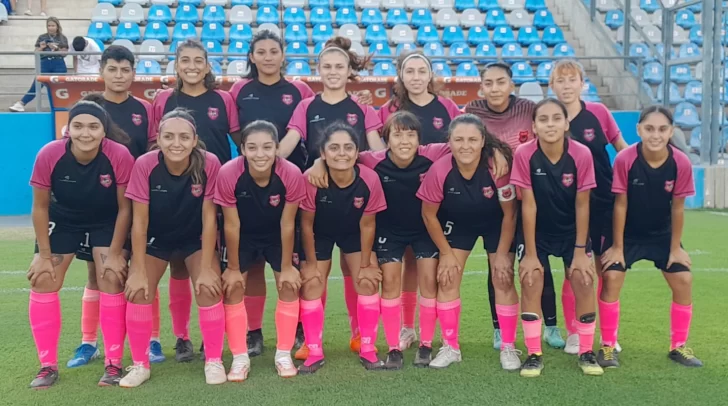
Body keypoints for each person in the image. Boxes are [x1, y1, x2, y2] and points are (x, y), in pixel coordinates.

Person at [307, 111, 451, 368]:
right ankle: (393, 347)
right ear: (386, 139)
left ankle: (426, 344)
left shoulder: (432, 154)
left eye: (411, 135)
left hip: (424, 229)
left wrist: (496, 152)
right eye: (397, 135)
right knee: (390, 281)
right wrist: (319, 162)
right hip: (388, 232)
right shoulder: (371, 160)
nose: (404, 141)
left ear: (420, 140)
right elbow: (340, 155)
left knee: (429, 281)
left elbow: (467, 144)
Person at [285, 36, 385, 358]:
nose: (332, 71)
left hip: (354, 205)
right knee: (314, 275)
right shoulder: (306, 106)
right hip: (317, 201)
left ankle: (360, 336)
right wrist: (263, 161)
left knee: (359, 274)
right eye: (326, 66)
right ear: (318, 69)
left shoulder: (362, 108)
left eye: (339, 66)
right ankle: (311, 341)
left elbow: (377, 153)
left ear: (348, 70)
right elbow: (288, 145)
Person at [66, 46, 165, 369]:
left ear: (134, 73)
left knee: (142, 268)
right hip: (100, 205)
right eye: (113, 69)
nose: (119, 76)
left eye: (125, 70)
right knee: (97, 273)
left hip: (140, 201)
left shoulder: (145, 109)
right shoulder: (90, 108)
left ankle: (151, 338)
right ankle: (89, 342)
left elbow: (154, 150)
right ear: (102, 72)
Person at [26, 101, 134, 389]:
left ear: (104, 131)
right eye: (78, 126)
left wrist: (115, 254)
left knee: (111, 277)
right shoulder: (50, 154)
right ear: (68, 129)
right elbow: (40, 206)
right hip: (63, 220)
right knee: (44, 278)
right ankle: (47, 366)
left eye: (93, 127)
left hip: (105, 221)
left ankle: (113, 363)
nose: (86, 133)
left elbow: (125, 208)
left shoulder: (118, 155)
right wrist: (43, 255)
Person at [121, 108, 225, 388]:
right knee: (139, 290)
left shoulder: (209, 163)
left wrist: (207, 268)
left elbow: (209, 218)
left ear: (195, 140)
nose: (176, 143)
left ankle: (214, 360)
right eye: (168, 136)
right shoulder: (145, 164)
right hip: (156, 237)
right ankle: (140, 365)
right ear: (158, 139)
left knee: (209, 287)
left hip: (194, 238)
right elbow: (139, 222)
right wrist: (137, 269)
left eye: (183, 137)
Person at [464, 62, 564, 351]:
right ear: (481, 87)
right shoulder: (472, 111)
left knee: (538, 264)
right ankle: (499, 328)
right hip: (494, 202)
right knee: (498, 266)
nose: (495, 88)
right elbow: (462, 141)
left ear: (511, 85)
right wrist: (494, 148)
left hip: (531, 198)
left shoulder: (528, 109)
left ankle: (551, 326)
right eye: (489, 83)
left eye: (501, 82)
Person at [152, 39, 240, 362]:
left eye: (198, 60)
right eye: (185, 60)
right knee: (179, 265)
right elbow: (153, 145)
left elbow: (241, 140)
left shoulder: (223, 99)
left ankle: (212, 337)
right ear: (176, 65)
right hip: (177, 195)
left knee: (215, 262)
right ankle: (182, 337)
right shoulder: (163, 99)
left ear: (207, 66)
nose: (191, 66)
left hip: (216, 193)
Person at [227, 30, 314, 356]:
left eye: (273, 51)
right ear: (251, 56)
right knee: (252, 265)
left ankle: (300, 326)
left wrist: (278, 161)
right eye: (260, 52)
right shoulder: (239, 90)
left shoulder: (299, 90)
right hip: (251, 185)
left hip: (292, 185)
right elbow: (235, 131)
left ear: (283, 55)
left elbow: (309, 124)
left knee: (294, 259)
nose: (267, 57)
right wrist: (256, 158)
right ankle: (254, 332)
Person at [599, 106, 702, 368]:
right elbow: (620, 204)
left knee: (684, 279)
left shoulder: (680, 162)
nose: (655, 135)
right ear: (639, 130)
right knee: (611, 277)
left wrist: (675, 248)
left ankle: (678, 346)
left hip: (660, 234)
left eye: (662, 129)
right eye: (649, 128)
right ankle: (608, 346)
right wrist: (618, 247)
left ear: (671, 131)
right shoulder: (625, 159)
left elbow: (677, 208)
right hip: (627, 234)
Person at [510, 98, 602, 377]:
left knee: (584, 279)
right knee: (531, 279)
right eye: (543, 119)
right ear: (534, 126)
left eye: (556, 118)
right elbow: (528, 204)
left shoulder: (581, 154)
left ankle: (586, 352)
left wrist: (580, 251)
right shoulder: (524, 153)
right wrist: (530, 254)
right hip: (536, 231)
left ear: (566, 123)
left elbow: (582, 204)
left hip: (571, 231)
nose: (550, 124)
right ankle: (534, 354)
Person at [417, 114, 517, 369]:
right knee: (447, 277)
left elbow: (510, 214)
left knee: (503, 277)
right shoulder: (440, 170)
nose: (465, 146)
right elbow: (428, 215)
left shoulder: (497, 167)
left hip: (496, 223)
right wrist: (446, 253)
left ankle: (508, 346)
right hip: (458, 223)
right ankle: (451, 347)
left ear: (483, 141)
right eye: (459, 139)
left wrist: (502, 254)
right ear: (449, 141)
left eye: (472, 140)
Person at [376, 52, 462, 350]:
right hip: (397, 198)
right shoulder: (389, 109)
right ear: (401, 76)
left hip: (435, 202)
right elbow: (375, 149)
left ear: (430, 75)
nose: (415, 77)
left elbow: (463, 140)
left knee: (424, 268)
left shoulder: (447, 107)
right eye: (409, 71)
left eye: (421, 71)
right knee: (402, 266)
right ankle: (406, 328)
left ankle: (427, 335)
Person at [215, 120, 306, 380]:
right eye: (252, 147)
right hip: (242, 235)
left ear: (277, 148)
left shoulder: (291, 173)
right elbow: (231, 224)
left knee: (288, 284)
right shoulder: (229, 173)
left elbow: (287, 222)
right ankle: (240, 358)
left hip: (277, 235)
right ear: (242, 149)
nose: (260, 154)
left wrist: (287, 267)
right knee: (233, 287)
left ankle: (283, 354)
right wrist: (233, 269)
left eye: (267, 147)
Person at [549, 59, 628, 355]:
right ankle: (574, 332)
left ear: (583, 84)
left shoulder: (598, 112)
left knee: (607, 271)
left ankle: (608, 335)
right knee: (575, 271)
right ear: (551, 85)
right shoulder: (549, 117)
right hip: (567, 209)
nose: (566, 85)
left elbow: (623, 151)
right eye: (560, 80)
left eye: (572, 79)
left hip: (603, 203)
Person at [298, 122, 387, 373]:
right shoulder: (312, 179)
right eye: (334, 147)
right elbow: (306, 224)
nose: (342, 153)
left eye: (348, 147)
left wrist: (367, 264)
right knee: (312, 282)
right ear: (323, 153)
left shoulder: (369, 179)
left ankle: (366, 346)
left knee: (367, 281)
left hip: (354, 233)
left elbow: (368, 224)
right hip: (319, 234)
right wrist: (311, 265)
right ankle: (313, 349)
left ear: (357, 152)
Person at [9, 17, 67, 112]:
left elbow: (65, 53)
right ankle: (21, 103)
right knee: (37, 84)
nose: (51, 28)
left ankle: (59, 108)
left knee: (58, 87)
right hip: (44, 63)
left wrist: (56, 48)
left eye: (53, 25)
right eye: (49, 26)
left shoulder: (62, 38)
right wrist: (41, 48)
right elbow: (36, 52)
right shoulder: (42, 37)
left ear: (57, 26)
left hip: (58, 63)